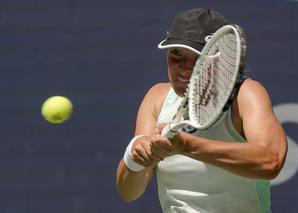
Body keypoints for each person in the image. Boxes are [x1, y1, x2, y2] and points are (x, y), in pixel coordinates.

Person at [116, 8, 287, 213]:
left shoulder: (245, 93)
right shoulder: (157, 97)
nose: (185, 69)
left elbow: (271, 160)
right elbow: (128, 192)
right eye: (176, 55)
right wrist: (136, 156)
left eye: (197, 58)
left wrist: (187, 146)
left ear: (221, 61)